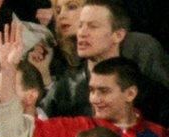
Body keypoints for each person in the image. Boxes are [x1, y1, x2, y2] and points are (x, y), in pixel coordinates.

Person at [0, 24, 167, 137]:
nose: (95, 99)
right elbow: (14, 132)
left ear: (130, 94)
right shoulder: (73, 130)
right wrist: (8, 69)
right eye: (92, 90)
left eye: (103, 91)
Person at [40, 0, 169, 123]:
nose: (82, 33)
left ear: (118, 35)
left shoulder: (149, 92)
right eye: (80, 26)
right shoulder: (64, 90)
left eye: (93, 26)